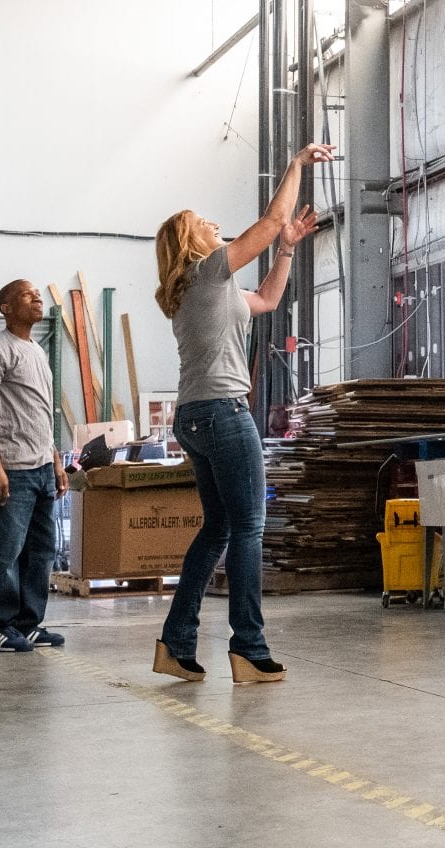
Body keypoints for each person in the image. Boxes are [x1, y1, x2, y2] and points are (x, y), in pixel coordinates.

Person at [150, 142, 332, 684]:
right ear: (192, 242)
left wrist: (288, 250)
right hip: (223, 413)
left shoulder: (208, 288)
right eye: (206, 223)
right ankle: (249, 648)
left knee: (219, 529)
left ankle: (176, 645)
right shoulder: (207, 272)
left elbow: (270, 301)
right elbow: (274, 216)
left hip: (196, 416)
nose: (216, 226)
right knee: (249, 527)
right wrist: (297, 164)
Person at [0, 279, 66, 653]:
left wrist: (56, 461)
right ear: (7, 307)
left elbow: (40, 413)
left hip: (40, 466)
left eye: (38, 294)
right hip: (11, 468)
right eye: (28, 295)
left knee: (40, 552)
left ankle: (28, 623)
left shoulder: (36, 351)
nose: (38, 298)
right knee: (4, 551)